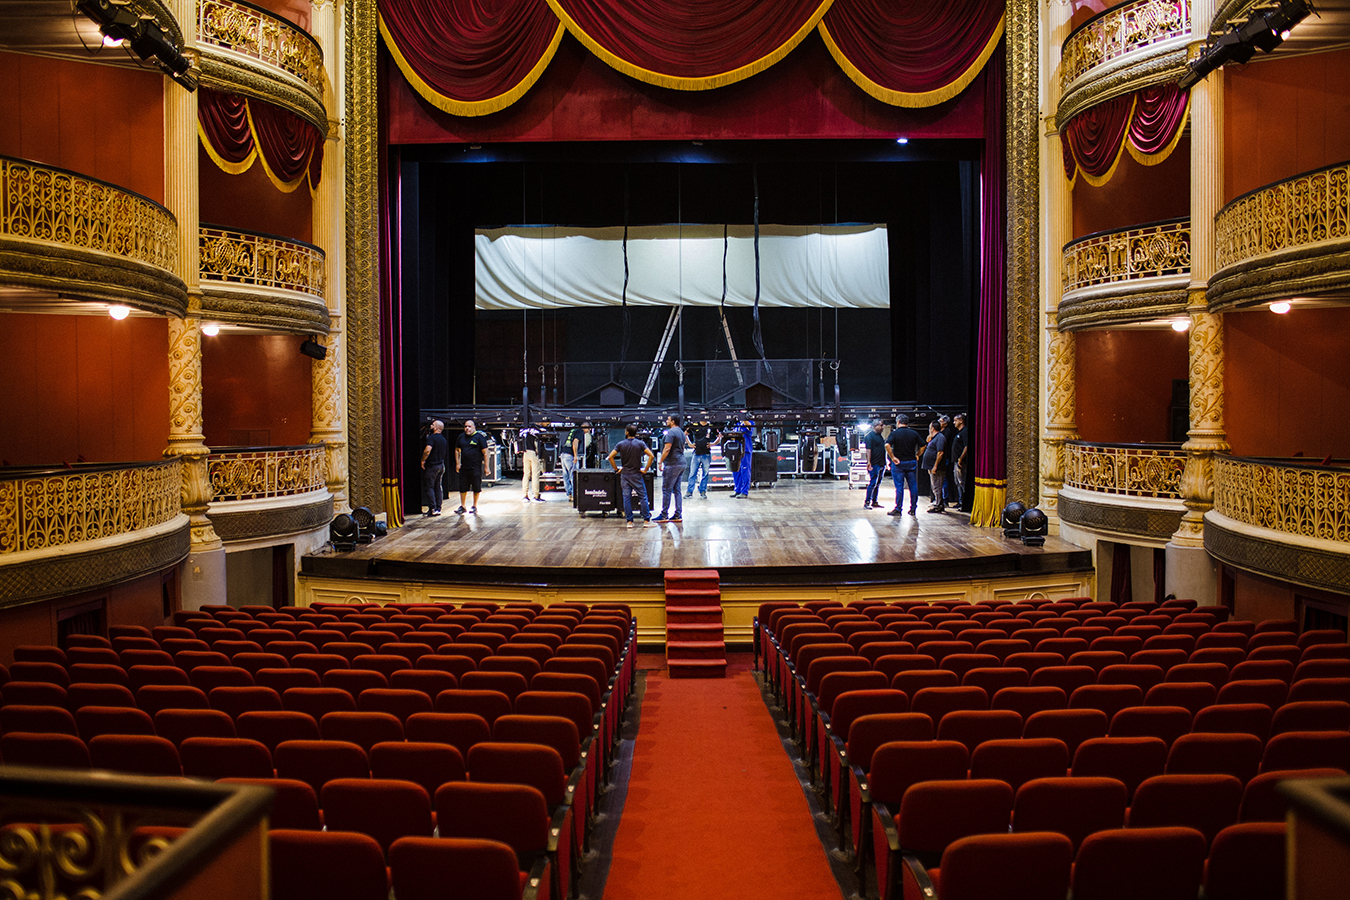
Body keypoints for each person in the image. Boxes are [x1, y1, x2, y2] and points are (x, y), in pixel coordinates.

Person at [607, 425, 657, 527]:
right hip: (636, 474)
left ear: (627, 432)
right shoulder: (640, 443)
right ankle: (646, 520)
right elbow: (651, 456)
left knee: (626, 498)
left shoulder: (621, 444)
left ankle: (629, 522)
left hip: (625, 474)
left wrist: (616, 469)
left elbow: (610, 457)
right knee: (643, 497)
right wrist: (646, 469)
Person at [885, 414, 921, 516]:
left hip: (899, 463)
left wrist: (892, 457)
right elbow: (923, 445)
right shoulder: (914, 433)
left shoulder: (894, 433)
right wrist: (917, 454)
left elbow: (887, 445)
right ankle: (913, 508)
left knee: (899, 487)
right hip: (911, 462)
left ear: (898, 422)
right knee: (913, 486)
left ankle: (898, 508)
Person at [654, 414, 687, 522]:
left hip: (673, 464)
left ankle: (664, 514)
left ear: (673, 421)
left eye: (668, 420)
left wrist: (660, 462)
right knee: (677, 490)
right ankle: (678, 514)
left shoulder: (671, 432)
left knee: (666, 490)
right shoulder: (681, 432)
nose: (666, 421)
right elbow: (682, 447)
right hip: (681, 462)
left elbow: (667, 448)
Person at [454, 419, 490, 515]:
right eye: (465, 426)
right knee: (462, 486)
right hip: (464, 467)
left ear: (474, 427)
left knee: (476, 487)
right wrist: (457, 463)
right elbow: (457, 450)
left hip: (475, 467)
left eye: (469, 426)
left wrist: (487, 467)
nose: (467, 428)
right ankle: (463, 506)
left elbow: (486, 452)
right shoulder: (461, 437)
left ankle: (474, 506)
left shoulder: (479, 437)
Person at [685, 420, 721, 499]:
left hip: (706, 454)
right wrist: (689, 444)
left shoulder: (711, 426)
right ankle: (689, 492)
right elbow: (685, 434)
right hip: (696, 453)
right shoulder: (694, 425)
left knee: (705, 474)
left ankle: (703, 491)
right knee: (692, 473)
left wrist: (713, 444)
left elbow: (719, 436)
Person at [419, 419, 448, 517]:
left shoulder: (432, 438)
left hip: (432, 466)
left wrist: (423, 460)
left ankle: (432, 508)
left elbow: (427, 450)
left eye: (432, 424)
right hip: (441, 465)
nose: (431, 426)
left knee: (429, 487)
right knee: (438, 486)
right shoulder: (443, 439)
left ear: (436, 428)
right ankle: (438, 508)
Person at [922, 420, 947, 513]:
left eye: (930, 427)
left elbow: (940, 452)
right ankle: (938, 503)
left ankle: (938, 505)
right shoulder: (934, 437)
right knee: (934, 486)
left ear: (932, 428)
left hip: (937, 467)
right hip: (931, 466)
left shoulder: (940, 437)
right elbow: (927, 440)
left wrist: (935, 466)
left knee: (937, 486)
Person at [862, 418, 887, 510]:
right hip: (874, 463)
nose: (883, 427)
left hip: (881, 463)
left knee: (877, 483)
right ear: (875, 426)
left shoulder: (880, 436)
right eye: (881, 425)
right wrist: (869, 462)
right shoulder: (869, 436)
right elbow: (868, 450)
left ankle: (874, 501)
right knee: (873, 482)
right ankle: (867, 502)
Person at [561, 421, 590, 500]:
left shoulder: (573, 429)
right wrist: (575, 455)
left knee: (566, 475)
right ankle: (574, 495)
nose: (588, 432)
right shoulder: (580, 431)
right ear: (585, 427)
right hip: (570, 455)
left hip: (563, 454)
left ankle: (569, 493)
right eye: (588, 430)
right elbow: (575, 442)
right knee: (573, 476)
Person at [728, 420, 753, 498]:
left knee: (745, 470)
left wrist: (743, 418)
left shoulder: (750, 422)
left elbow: (749, 427)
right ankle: (737, 490)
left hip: (745, 449)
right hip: (736, 449)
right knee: (736, 470)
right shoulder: (737, 424)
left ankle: (744, 491)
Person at [939, 415, 959, 507]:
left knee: (944, 478)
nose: (939, 423)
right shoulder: (939, 432)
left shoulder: (947, 432)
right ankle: (939, 499)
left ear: (945, 423)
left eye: (941, 421)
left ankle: (945, 499)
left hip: (945, 458)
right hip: (939, 458)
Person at [520, 427, 544, 502]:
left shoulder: (524, 431)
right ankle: (535, 496)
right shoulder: (536, 431)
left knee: (526, 475)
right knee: (535, 475)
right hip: (533, 453)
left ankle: (525, 495)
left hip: (525, 453)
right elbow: (538, 444)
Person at [950, 413, 969, 510]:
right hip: (956, 462)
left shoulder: (965, 431)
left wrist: (961, 458)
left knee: (962, 482)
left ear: (961, 421)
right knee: (957, 482)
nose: (954, 423)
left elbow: (966, 446)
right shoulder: (958, 432)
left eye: (955, 420)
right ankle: (960, 501)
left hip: (961, 462)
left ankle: (964, 503)